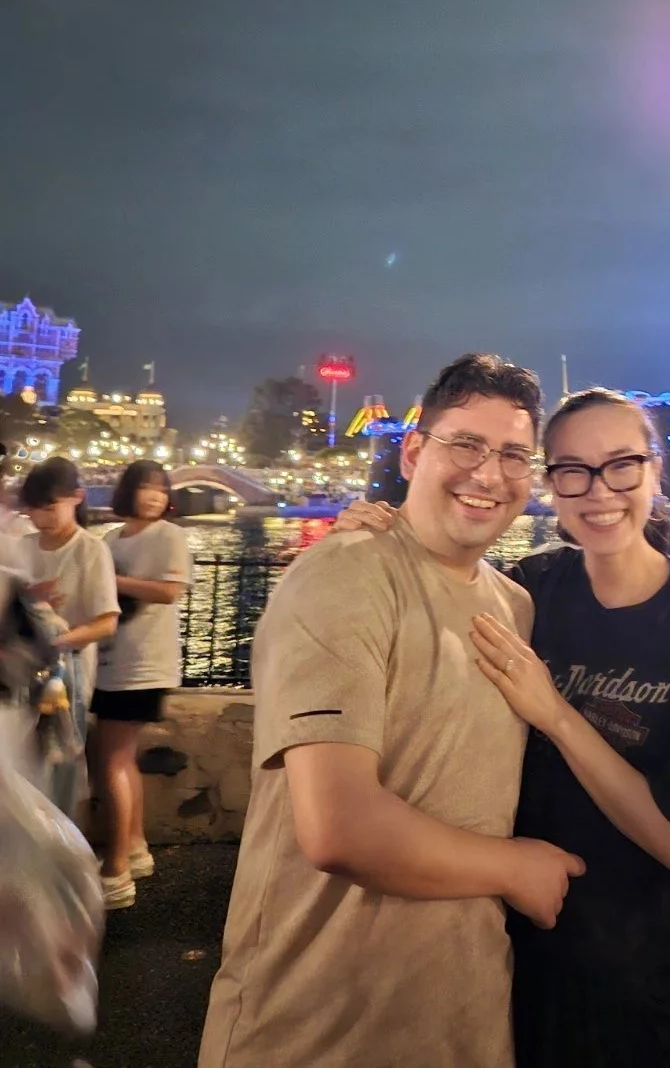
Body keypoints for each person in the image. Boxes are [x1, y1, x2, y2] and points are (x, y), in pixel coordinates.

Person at [198, 354, 585, 1068]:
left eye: (512, 455)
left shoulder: (515, 606)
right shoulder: (346, 573)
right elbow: (339, 828)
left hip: (463, 1019)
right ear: (413, 453)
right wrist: (517, 869)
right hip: (314, 1028)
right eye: (465, 444)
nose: (489, 474)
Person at [473, 388, 670, 1068]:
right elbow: (434, 587)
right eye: (573, 470)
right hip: (497, 958)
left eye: (621, 465)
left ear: (655, 471)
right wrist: (378, 536)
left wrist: (555, 714)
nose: (599, 490)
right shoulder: (531, 590)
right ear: (551, 485)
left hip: (624, 982)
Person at [91, 460, 192, 911]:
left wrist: (113, 581)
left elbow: (170, 590)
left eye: (161, 489)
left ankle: (116, 871)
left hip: (145, 663)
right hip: (111, 660)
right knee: (119, 756)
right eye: (146, 487)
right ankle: (135, 849)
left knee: (110, 758)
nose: (154, 496)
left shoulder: (169, 536)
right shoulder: (111, 539)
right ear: (127, 491)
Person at [15, 458, 118, 818]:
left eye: (49, 507)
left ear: (77, 497)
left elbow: (106, 623)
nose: (40, 518)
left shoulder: (90, 550)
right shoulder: (22, 547)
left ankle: (66, 841)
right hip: (20, 674)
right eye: (33, 510)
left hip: (65, 679)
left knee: (61, 765)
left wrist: (56, 640)